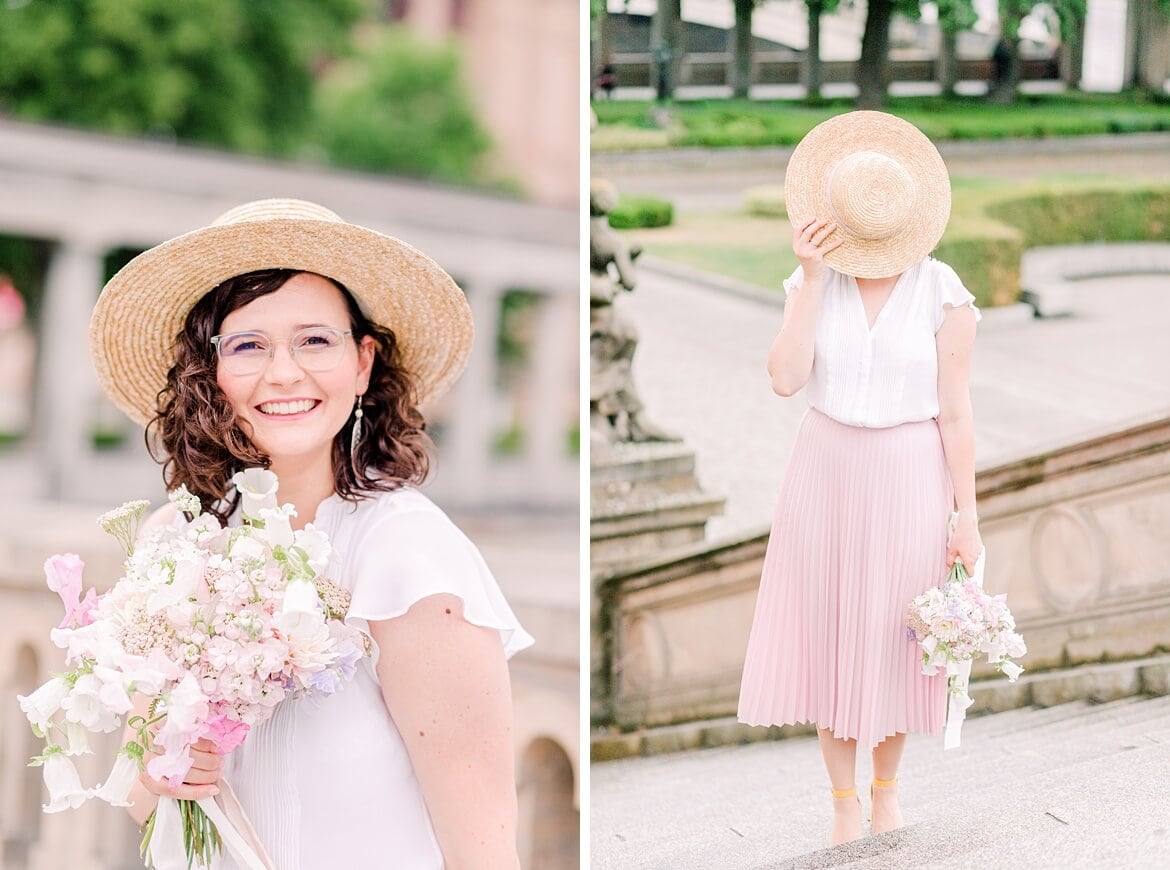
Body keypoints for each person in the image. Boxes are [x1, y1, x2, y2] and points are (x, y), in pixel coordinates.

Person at [90, 198, 534, 869]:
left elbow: (485, 849)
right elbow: (138, 796)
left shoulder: (408, 557)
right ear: (209, 371)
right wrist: (162, 773)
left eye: (314, 340)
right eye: (248, 345)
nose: (284, 372)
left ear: (362, 363)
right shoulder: (171, 542)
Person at [736, 111, 983, 846]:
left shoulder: (945, 295)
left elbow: (958, 415)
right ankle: (843, 800)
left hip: (912, 471)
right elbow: (785, 379)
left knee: (901, 636)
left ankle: (885, 789)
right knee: (832, 629)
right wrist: (811, 280)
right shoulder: (813, 281)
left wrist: (966, 515)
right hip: (827, 467)